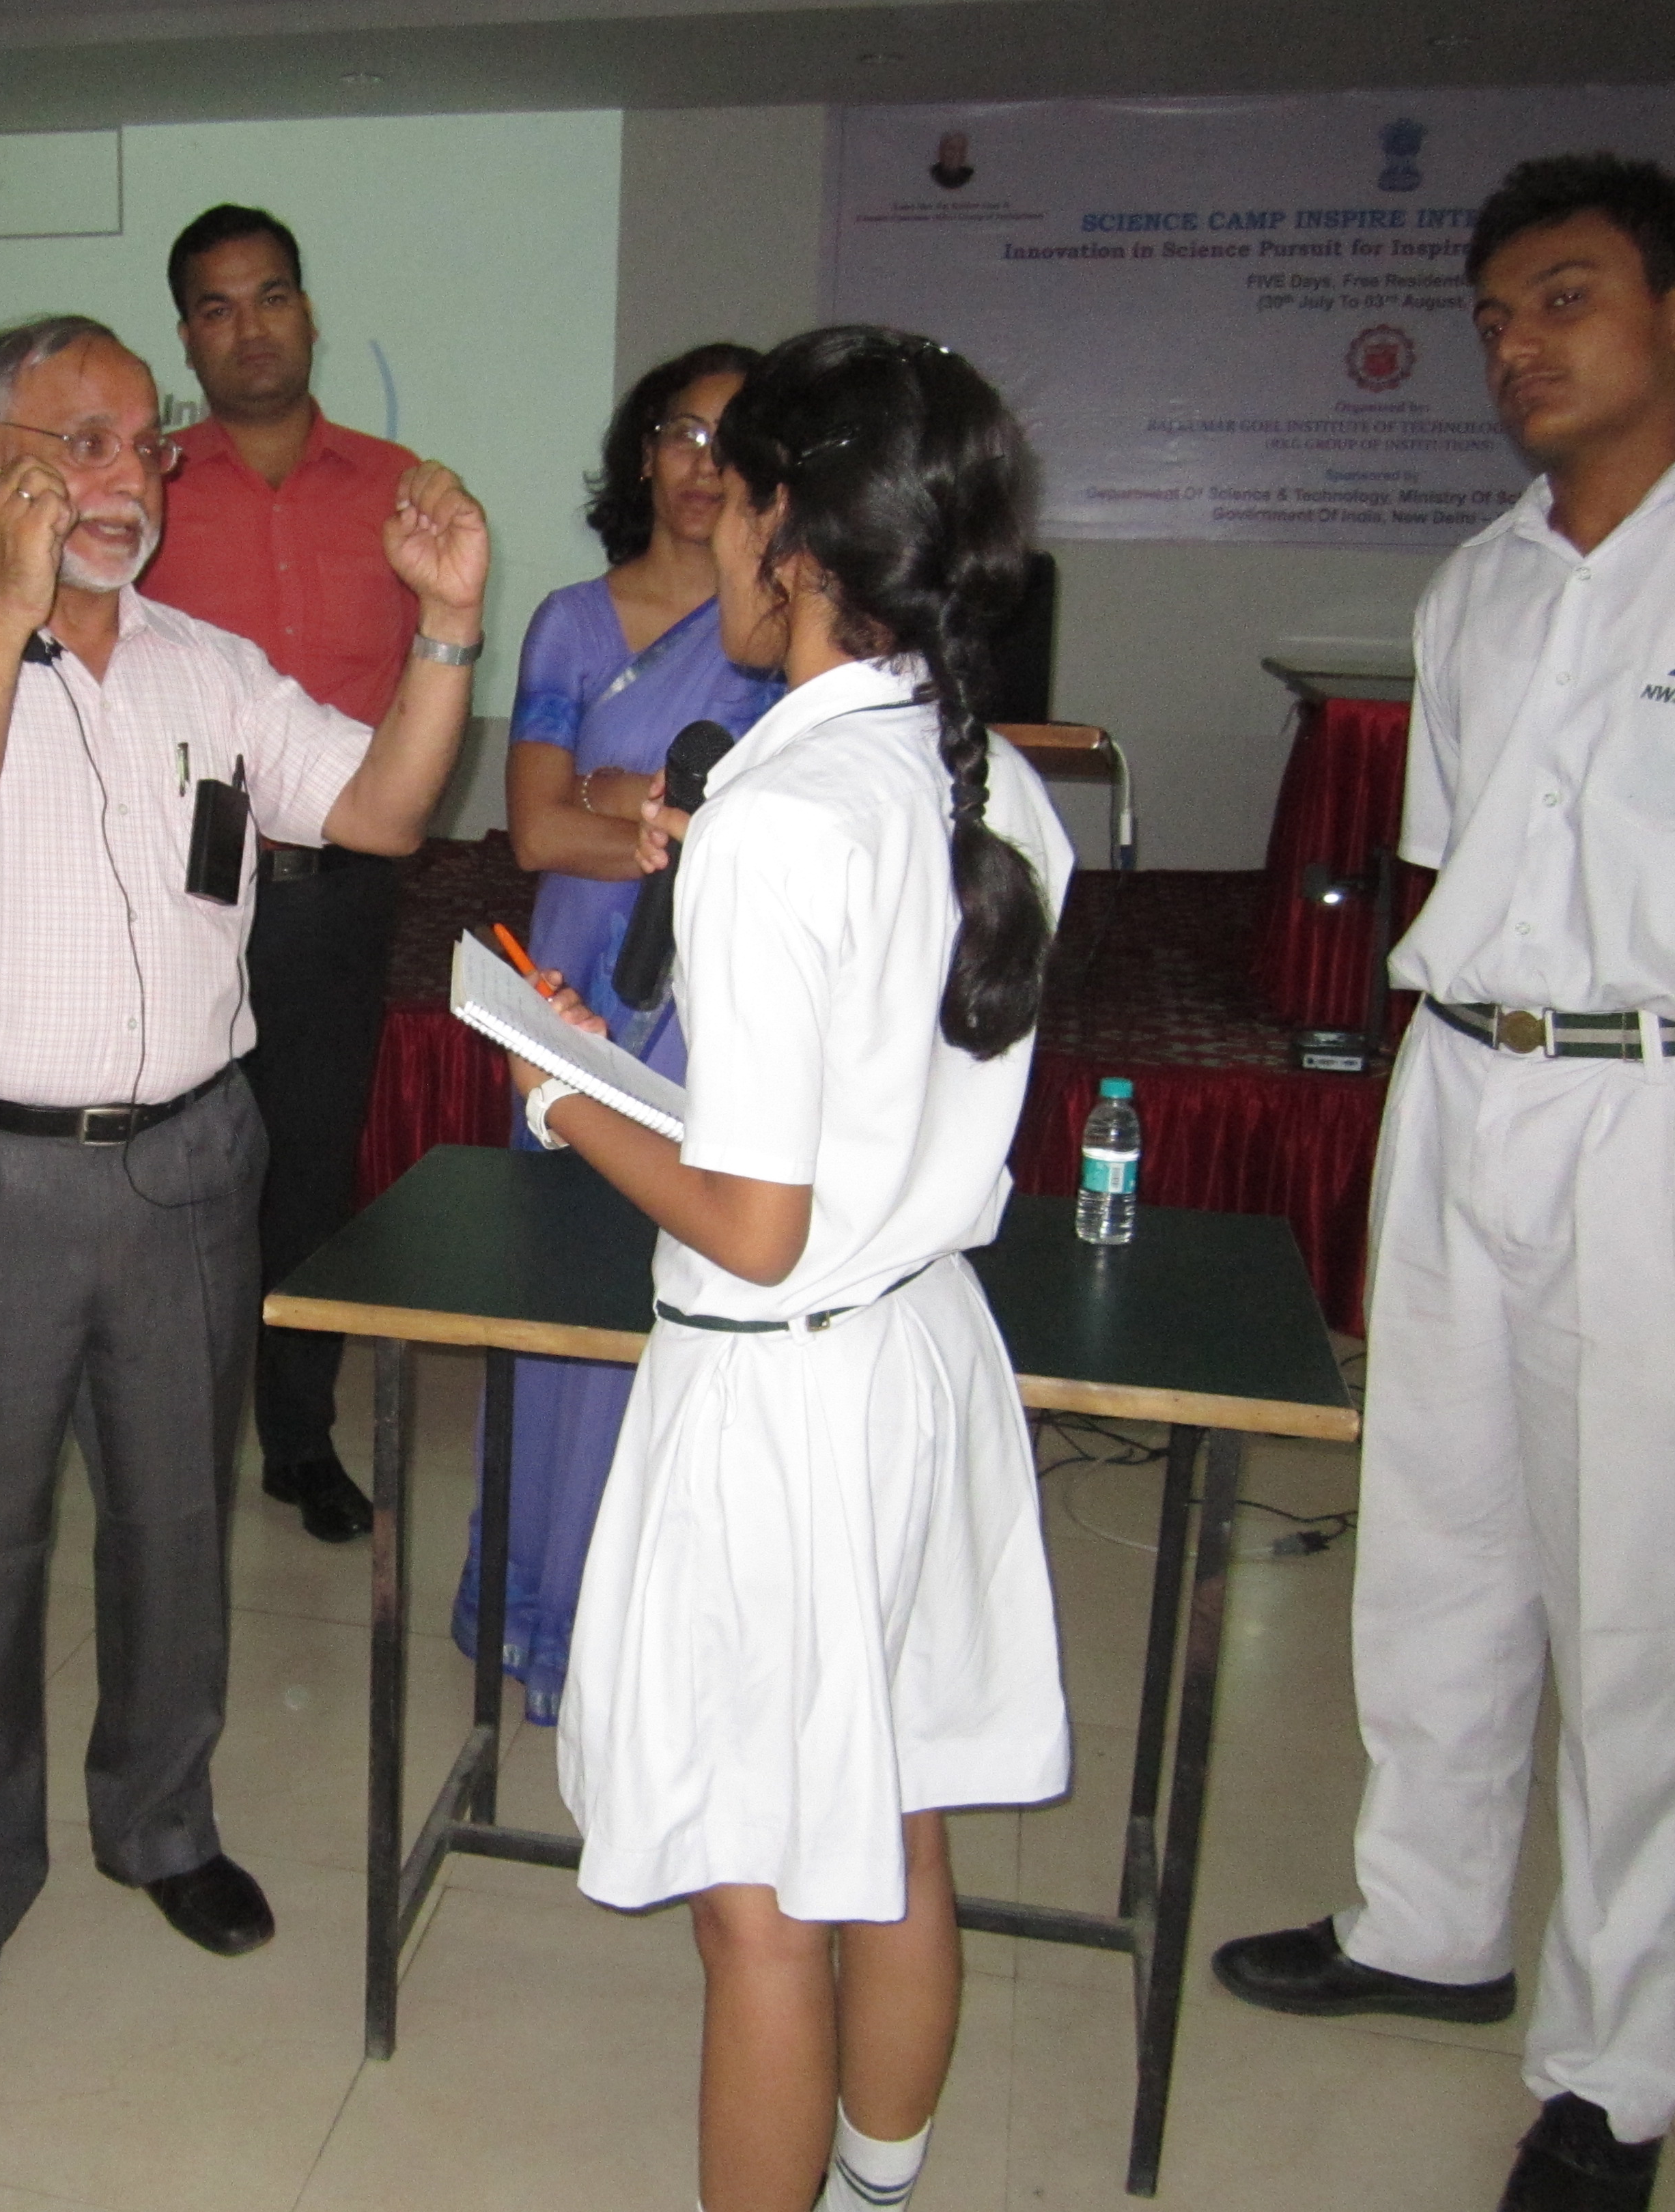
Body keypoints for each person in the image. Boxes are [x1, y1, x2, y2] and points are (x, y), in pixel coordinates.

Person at [1211, 154, 1675, 2212]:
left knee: (1642, 1607)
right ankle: (1428, 1921)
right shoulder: (1476, 584)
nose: (1517, 346)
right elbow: (1446, 874)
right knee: (1437, 1539)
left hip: (1669, 1108)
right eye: (1493, 317)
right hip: (1462, 1086)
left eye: (1564, 297)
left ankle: (1616, 2077)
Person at [0, 314, 488, 2044]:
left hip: (192, 1160)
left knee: (178, 1527)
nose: (129, 480)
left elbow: (386, 811)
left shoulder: (212, 670)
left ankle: (162, 1824)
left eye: (147, 446)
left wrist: (444, 630)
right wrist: (11, 611)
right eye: (85, 444)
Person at [522, 327, 1073, 2212]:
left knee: (759, 1900)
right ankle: (878, 2188)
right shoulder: (994, 786)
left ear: (795, 534)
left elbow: (752, 1219)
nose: (710, 532)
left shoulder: (785, 818)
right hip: (919, 1355)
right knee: (892, 1825)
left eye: (734, 497)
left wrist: (559, 1091)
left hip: (779, 1397)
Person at [451, 342, 784, 1722]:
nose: (706, 464)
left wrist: (620, 793)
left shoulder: (793, 622)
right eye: (683, 433)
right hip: (583, 986)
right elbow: (537, 831)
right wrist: (651, 815)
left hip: (728, 994)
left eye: (735, 440)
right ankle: (552, 1612)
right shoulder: (575, 625)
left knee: (689, 1300)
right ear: (642, 452)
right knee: (568, 1303)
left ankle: (666, 1629)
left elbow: (764, 835)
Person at [141, 203, 422, 1544]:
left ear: (308, 311)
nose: (247, 328)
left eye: (270, 297)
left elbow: (429, 693)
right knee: (182, 1167)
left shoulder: (400, 489)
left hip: (333, 892)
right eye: (216, 306)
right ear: (186, 335)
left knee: (310, 1170)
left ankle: (299, 1440)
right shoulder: (144, 493)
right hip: (179, 891)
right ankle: (173, 1441)